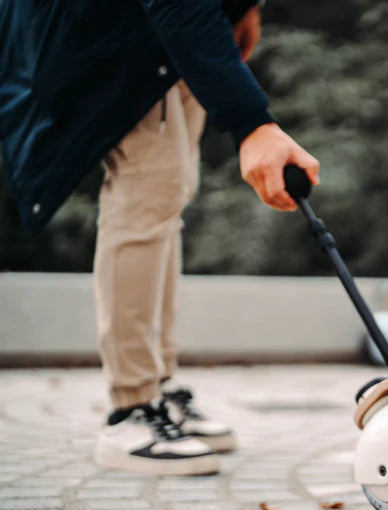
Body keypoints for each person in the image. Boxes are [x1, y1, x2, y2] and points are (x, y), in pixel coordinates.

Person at [0, 0, 320, 476]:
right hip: (121, 27)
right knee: (145, 192)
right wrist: (252, 123)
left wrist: (243, 7)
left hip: (169, 27)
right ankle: (131, 406)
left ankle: (158, 386)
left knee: (168, 191)